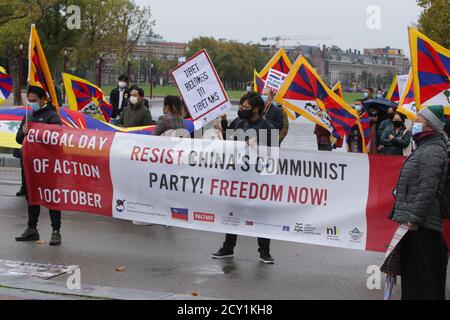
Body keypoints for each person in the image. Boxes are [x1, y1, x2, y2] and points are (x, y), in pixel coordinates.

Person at [389, 105, 449, 300]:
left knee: (421, 281)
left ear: (430, 126)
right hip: (416, 223)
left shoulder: (432, 151)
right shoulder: (424, 148)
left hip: (421, 226)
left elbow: (427, 189)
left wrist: (414, 219)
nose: (414, 125)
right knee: (414, 278)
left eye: (418, 121)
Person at [212, 92, 276, 264]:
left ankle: (264, 252)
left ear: (256, 109)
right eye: (240, 107)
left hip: (257, 180)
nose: (241, 110)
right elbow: (230, 142)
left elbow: (273, 155)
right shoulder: (239, 122)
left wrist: (258, 147)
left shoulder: (267, 127)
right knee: (233, 214)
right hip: (237, 178)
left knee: (261, 216)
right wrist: (222, 133)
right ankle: (227, 248)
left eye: (245, 108)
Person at [15, 86, 63, 246]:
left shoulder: (52, 116)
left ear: (43, 99)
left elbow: (57, 139)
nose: (32, 103)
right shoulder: (28, 116)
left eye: (34, 100)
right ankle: (31, 229)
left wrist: (38, 133)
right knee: (31, 197)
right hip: (30, 166)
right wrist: (24, 132)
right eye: (29, 100)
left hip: (47, 166)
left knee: (51, 198)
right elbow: (18, 140)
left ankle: (56, 231)